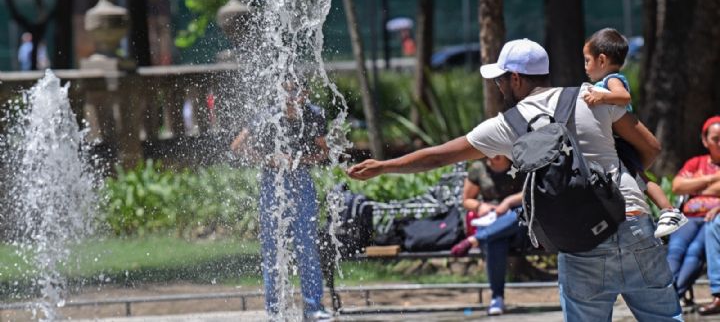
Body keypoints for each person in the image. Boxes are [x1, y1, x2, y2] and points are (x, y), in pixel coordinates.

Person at [348, 38, 682, 321]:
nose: (498, 86)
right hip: (633, 223)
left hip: (581, 243)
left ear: (517, 79)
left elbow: (439, 155)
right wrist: (623, 174)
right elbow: (650, 148)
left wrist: (384, 166)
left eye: (501, 79)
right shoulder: (590, 96)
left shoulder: (508, 124)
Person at [231, 80, 333, 322]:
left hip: (301, 180)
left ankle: (313, 307)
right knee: (273, 248)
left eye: (296, 90)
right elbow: (237, 145)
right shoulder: (267, 114)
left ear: (305, 93)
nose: (290, 95)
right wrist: (268, 159)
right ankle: (275, 310)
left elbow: (324, 152)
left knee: (306, 245)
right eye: (286, 90)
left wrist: (300, 160)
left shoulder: (314, 115)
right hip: (272, 182)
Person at [582, 27, 687, 238]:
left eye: (587, 60)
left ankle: (669, 211)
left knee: (641, 179)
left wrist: (603, 97)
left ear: (601, 60)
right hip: (618, 142)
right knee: (636, 179)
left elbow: (624, 97)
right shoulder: (607, 81)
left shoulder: (612, 80)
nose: (585, 66)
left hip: (623, 141)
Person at [450, 156, 524, 315]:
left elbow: (531, 192)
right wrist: (480, 206)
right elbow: (467, 200)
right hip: (492, 222)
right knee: (496, 240)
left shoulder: (518, 163)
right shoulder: (478, 168)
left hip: (518, 223)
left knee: (520, 214)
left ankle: (475, 239)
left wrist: (509, 202)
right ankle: (497, 298)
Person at [667, 116, 720, 314]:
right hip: (690, 216)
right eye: (715, 139)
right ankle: (666, 295)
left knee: (695, 252)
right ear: (705, 141)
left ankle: (673, 297)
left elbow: (688, 186)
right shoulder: (695, 162)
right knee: (676, 249)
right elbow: (677, 186)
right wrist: (713, 178)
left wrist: (698, 184)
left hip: (712, 217)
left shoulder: (695, 170)